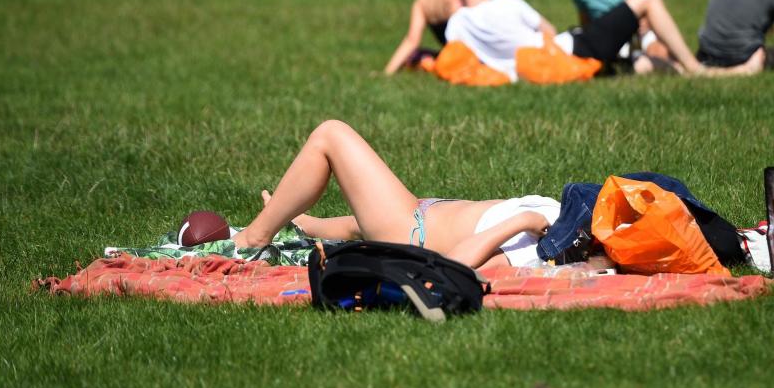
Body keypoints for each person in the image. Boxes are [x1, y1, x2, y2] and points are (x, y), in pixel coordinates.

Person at [229, 120, 559, 269]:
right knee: (356, 226)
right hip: (419, 213)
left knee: (330, 135)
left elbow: (458, 265)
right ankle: (303, 222)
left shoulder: (554, 244)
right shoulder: (572, 215)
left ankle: (253, 239)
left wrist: (521, 221)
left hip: (412, 232)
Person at [446, 0, 762, 80]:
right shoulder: (503, 0)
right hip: (572, 49)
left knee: (638, 66)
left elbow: (461, 59)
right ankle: (697, 68)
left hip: (537, 73)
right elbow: (547, 30)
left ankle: (729, 73)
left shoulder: (457, 22)